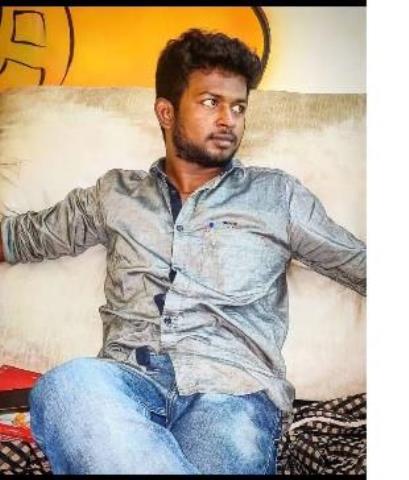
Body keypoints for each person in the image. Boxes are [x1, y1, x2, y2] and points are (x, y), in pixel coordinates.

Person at [0, 29, 366, 474]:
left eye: (239, 107)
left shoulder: (276, 195)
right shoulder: (114, 194)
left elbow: (360, 265)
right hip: (127, 383)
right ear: (166, 111)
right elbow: (22, 238)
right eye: (211, 102)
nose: (229, 119)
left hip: (231, 394)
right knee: (65, 387)